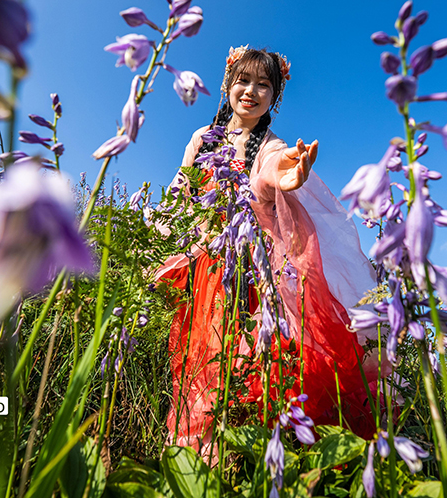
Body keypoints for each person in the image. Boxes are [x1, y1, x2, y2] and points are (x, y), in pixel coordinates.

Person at [153, 46, 378, 453]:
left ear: (274, 97)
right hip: (204, 266)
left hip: (249, 269)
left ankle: (255, 448)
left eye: (263, 85)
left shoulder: (271, 145)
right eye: (243, 81)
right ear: (228, 84)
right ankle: (203, 452)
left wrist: (284, 172)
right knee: (202, 359)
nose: (251, 92)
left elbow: (268, 171)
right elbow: (179, 193)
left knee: (247, 355)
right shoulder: (202, 139)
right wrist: (157, 240)